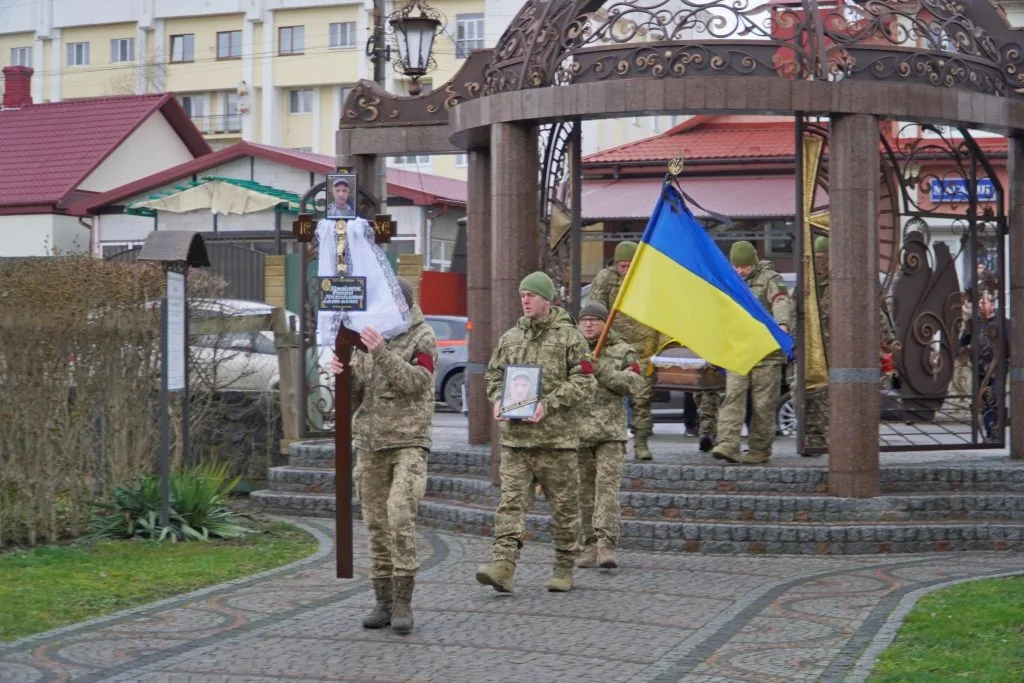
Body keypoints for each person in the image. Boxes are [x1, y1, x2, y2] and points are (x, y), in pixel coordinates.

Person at [327, 278, 436, 634]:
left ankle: (404, 602)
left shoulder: (423, 337)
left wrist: (382, 354)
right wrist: (343, 375)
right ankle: (383, 601)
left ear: (403, 307)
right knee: (376, 524)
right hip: (370, 444)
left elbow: (417, 383)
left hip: (408, 443)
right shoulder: (366, 337)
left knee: (399, 514)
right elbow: (356, 397)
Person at [476, 271, 596, 593]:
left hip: (557, 442)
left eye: (531, 295)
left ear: (547, 299)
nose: (525, 300)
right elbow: (492, 377)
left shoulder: (570, 337)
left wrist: (549, 404)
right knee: (510, 504)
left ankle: (563, 565)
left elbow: (586, 380)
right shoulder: (511, 338)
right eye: (522, 295)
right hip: (516, 442)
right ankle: (503, 565)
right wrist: (498, 400)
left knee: (565, 508)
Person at [574, 302, 645, 569]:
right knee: (584, 494)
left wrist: (600, 369)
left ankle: (606, 545)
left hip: (609, 434)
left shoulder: (623, 351)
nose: (589, 324)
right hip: (579, 434)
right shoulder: (572, 350)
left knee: (606, 491)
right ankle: (590, 545)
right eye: (585, 320)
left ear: (606, 323)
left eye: (595, 320)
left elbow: (634, 385)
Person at [711, 241, 794, 465]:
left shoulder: (770, 279)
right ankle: (728, 443)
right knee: (733, 397)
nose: (740, 271)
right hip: (739, 350)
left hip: (766, 353)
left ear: (754, 263)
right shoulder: (729, 280)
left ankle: (760, 449)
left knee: (763, 404)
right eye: (736, 266)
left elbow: (781, 301)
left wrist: (783, 324)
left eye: (745, 266)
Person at [588, 241, 660, 460]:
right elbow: (595, 309)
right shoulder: (605, 279)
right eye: (623, 266)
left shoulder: (647, 279)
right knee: (606, 396)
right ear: (615, 264)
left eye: (631, 266)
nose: (626, 270)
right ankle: (606, 444)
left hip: (643, 347)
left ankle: (641, 443)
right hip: (613, 347)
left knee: (642, 397)